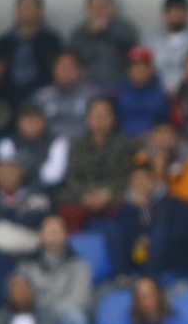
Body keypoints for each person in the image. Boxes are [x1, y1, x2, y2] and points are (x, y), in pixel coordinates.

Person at [57, 96, 136, 231]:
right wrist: (85, 195)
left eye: (105, 115)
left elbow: (127, 175)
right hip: (82, 197)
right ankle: (73, 250)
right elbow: (72, 176)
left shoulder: (126, 145)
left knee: (127, 209)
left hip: (114, 196)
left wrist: (108, 193)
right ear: (88, 118)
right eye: (96, 115)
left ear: (113, 118)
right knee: (67, 209)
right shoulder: (76, 145)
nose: (100, 119)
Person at [15, 214, 92, 324]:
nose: (53, 235)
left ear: (65, 235)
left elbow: (80, 298)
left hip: (65, 314)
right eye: (49, 231)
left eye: (57, 231)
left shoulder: (79, 263)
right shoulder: (26, 265)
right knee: (21, 321)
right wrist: (42, 313)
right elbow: (23, 296)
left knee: (77, 319)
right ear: (41, 236)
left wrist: (52, 312)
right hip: (37, 313)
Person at [0, 0, 63, 106]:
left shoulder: (51, 40)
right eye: (22, 7)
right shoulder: (4, 41)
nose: (26, 11)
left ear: (40, 11)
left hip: (42, 92)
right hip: (8, 94)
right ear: (16, 11)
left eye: (30, 7)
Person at [69, 0, 139, 91]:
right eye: (95, 7)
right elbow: (74, 58)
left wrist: (108, 30)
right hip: (87, 86)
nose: (99, 10)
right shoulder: (79, 33)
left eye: (103, 6)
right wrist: (91, 34)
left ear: (111, 8)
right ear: (88, 9)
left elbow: (132, 49)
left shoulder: (124, 27)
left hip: (121, 84)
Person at [31, 50, 100, 142]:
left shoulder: (92, 95)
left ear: (79, 70)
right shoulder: (42, 96)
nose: (66, 71)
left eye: (70, 67)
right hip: (48, 147)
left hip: (84, 146)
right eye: (62, 67)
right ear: (54, 70)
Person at [0, 103, 69, 191]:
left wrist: (22, 168)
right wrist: (38, 166)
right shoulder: (8, 142)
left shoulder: (57, 141)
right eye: (27, 120)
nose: (31, 125)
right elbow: (6, 174)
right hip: (14, 191)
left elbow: (53, 176)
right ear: (19, 122)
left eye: (35, 120)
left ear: (43, 121)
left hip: (47, 192)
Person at [146, 0, 188, 94]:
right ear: (165, 13)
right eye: (173, 10)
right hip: (155, 94)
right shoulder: (150, 39)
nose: (177, 14)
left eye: (181, 10)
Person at [115, 45, 171, 137]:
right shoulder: (119, 93)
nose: (139, 70)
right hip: (123, 141)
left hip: (152, 141)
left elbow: (165, 124)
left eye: (143, 66)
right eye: (135, 66)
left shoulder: (162, 95)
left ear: (151, 69)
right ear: (129, 70)